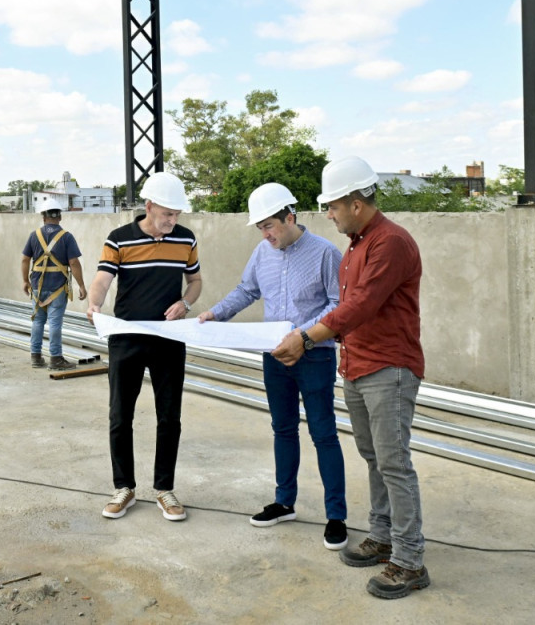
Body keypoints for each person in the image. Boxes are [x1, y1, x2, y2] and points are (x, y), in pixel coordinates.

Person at [272, 156, 428, 600]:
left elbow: (359, 306)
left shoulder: (390, 243)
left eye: (334, 206)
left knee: (394, 461)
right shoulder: (358, 245)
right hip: (358, 365)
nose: (329, 214)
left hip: (389, 367)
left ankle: (410, 559)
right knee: (374, 456)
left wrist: (306, 337)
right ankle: (383, 536)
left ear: (357, 203)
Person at [197, 182, 347, 550]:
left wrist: (304, 336)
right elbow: (247, 290)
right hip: (274, 357)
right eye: (260, 228)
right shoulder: (262, 253)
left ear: (289, 217)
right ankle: (284, 502)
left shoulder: (325, 254)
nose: (265, 234)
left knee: (323, 432)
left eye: (269, 226)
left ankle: (336, 517)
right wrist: (215, 313)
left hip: (315, 355)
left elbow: (338, 304)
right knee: (282, 429)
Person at [86, 171, 201, 522]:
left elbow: (195, 281)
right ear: (149, 207)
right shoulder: (119, 239)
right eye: (167, 214)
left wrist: (186, 303)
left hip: (168, 340)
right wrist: (94, 306)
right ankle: (124, 488)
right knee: (120, 415)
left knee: (170, 416)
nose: (173, 220)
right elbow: (103, 279)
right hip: (126, 339)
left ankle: (164, 489)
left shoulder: (185, 239)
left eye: (177, 214)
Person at [21, 195, 87, 371]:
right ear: (60, 216)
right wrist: (81, 285)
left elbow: (25, 260)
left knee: (37, 321)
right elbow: (74, 263)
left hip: (37, 287)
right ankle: (56, 359)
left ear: (43, 217)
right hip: (57, 288)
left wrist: (25, 281)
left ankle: (36, 356)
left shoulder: (34, 235)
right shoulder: (66, 237)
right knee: (55, 323)